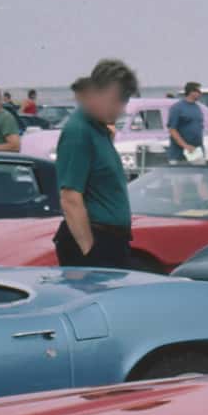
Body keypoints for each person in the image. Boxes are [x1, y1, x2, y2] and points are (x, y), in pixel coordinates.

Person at [52, 60, 139, 269]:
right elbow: (70, 197)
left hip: (110, 241)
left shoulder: (97, 129)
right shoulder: (79, 131)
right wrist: (89, 253)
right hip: (94, 242)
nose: (122, 109)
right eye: (118, 100)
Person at [166, 82, 206, 162]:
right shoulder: (177, 108)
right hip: (180, 154)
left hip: (196, 153)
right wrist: (185, 146)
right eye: (199, 91)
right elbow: (172, 130)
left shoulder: (198, 108)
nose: (200, 94)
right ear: (191, 92)